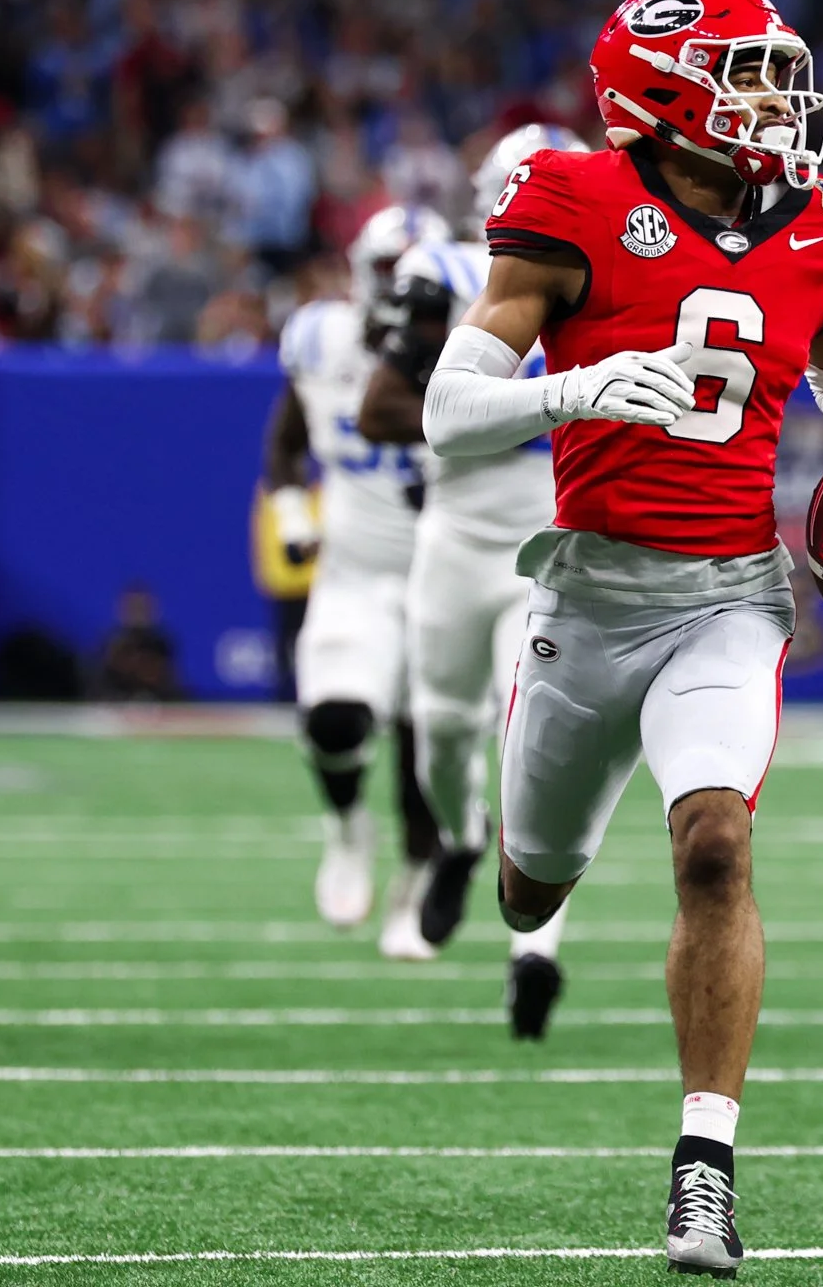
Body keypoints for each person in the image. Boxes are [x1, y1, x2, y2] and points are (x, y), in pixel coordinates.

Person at [422, 0, 823, 1275]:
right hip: (590, 594)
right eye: (747, 73)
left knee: (716, 848)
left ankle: (704, 1166)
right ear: (659, 96)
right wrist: (583, 386)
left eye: (778, 71)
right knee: (527, 884)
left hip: (729, 593)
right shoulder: (570, 199)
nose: (777, 98)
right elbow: (447, 411)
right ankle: (522, 837)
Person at [356, 122, 589, 1028]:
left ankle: (535, 952)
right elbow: (379, 409)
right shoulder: (446, 276)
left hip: (548, 542)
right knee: (444, 730)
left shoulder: (623, 282)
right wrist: (538, 406)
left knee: (531, 739)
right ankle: (456, 843)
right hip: (453, 539)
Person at [261, 203, 449, 948]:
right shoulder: (319, 338)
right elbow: (284, 445)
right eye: (387, 274)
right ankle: (345, 828)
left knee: (426, 754)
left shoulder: (477, 349)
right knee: (333, 720)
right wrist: (291, 514)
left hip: (444, 576)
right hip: (354, 570)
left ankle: (413, 880)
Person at [96, 585, 181, 702]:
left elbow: (169, 685)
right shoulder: (112, 644)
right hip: (116, 705)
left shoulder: (160, 645)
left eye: (141, 608)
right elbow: (101, 687)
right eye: (133, 608)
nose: (137, 614)